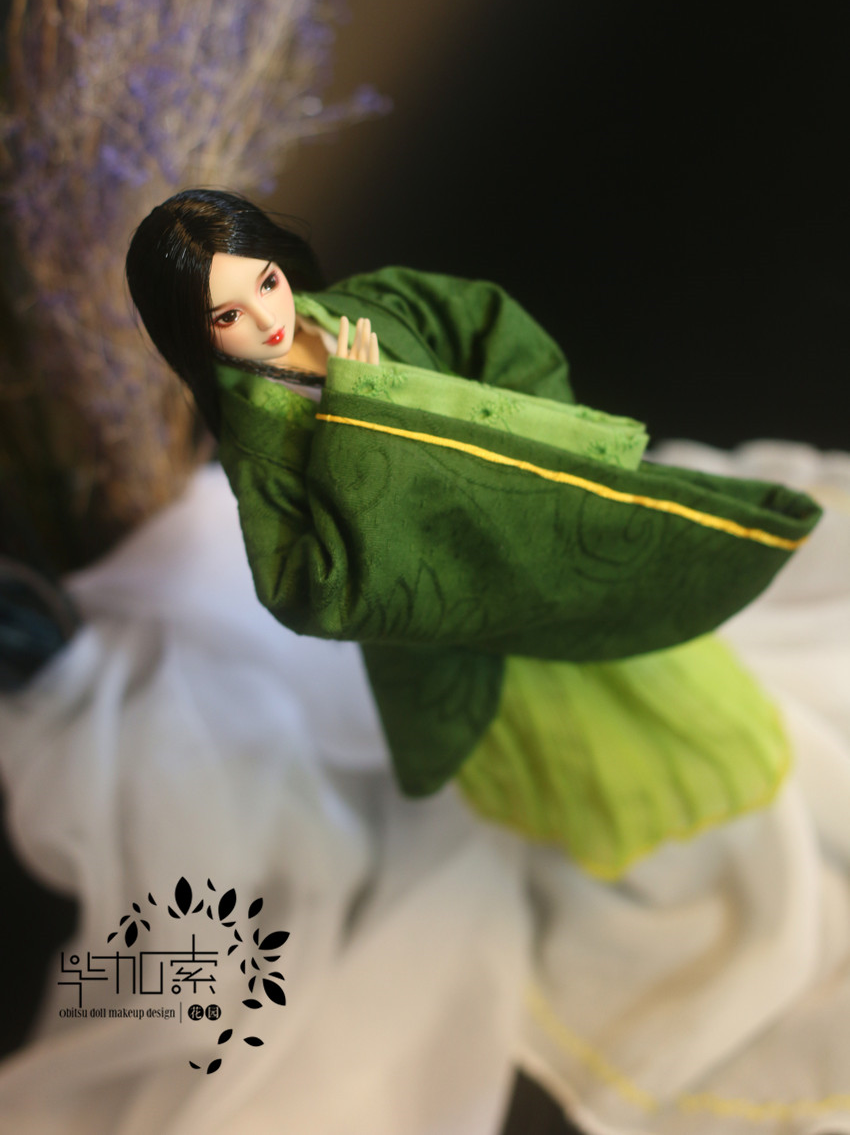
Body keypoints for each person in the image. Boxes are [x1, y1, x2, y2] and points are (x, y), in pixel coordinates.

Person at [126, 188, 821, 878]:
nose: (266, 319)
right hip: (457, 612)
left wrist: (534, 445)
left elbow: (490, 324)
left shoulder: (374, 305)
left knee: (637, 649)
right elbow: (300, 590)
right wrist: (356, 427)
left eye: (267, 282)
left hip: (541, 532)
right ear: (191, 334)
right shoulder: (257, 444)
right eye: (227, 315)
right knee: (564, 729)